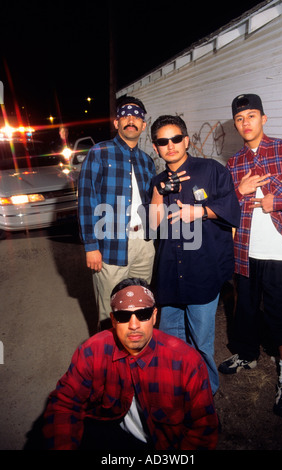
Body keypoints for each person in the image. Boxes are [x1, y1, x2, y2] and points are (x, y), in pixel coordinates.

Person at [42, 278, 218, 450]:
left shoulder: (186, 362)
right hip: (110, 431)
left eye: (143, 314)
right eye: (123, 316)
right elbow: (64, 404)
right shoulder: (92, 351)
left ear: (154, 316)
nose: (134, 325)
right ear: (113, 320)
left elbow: (203, 430)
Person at [148, 115, 241, 395]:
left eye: (176, 138)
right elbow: (153, 225)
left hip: (202, 274)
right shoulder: (157, 181)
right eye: (163, 142)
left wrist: (199, 211)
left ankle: (205, 397)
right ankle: (178, 394)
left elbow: (232, 209)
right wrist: (158, 191)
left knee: (201, 343)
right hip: (169, 276)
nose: (171, 145)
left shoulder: (211, 170)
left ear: (186, 140)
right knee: (169, 342)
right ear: (156, 148)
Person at [218, 93, 282, 418]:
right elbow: (225, 209)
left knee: (281, 314)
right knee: (245, 309)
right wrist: (240, 191)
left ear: (263, 118)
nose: (245, 123)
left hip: (281, 252)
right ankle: (247, 355)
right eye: (239, 118)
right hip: (245, 251)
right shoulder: (234, 163)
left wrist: (276, 202)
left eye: (251, 116)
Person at [78, 96, 156, 330]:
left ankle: (135, 361)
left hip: (143, 244)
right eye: (125, 115)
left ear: (143, 125)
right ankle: (109, 364)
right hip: (110, 245)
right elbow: (86, 199)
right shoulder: (99, 152)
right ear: (116, 123)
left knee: (141, 307)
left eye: (137, 117)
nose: (131, 120)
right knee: (111, 311)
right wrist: (91, 246)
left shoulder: (147, 161)